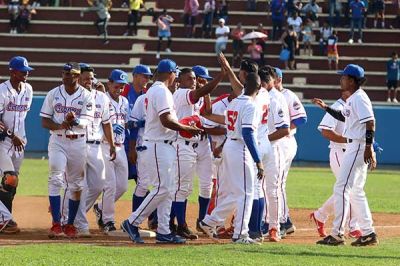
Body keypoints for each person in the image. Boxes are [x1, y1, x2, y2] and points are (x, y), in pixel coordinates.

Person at [121, 59, 202, 244]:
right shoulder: (162, 91)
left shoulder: (156, 90)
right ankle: (132, 222)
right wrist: (186, 128)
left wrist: (182, 126)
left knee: (169, 189)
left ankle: (164, 231)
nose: (176, 77)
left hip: (164, 144)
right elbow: (166, 120)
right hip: (158, 144)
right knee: (162, 188)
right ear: (171, 73)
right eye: (176, 73)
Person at [313, 64, 379, 246]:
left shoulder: (359, 98)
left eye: (343, 77)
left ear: (351, 80)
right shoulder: (353, 98)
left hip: (357, 147)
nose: (340, 79)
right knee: (356, 192)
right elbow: (344, 117)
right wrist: (326, 107)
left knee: (342, 188)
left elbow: (370, 122)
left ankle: (337, 234)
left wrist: (368, 147)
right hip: (355, 146)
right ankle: (368, 233)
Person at [200, 72, 265, 245]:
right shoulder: (251, 105)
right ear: (258, 88)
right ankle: (240, 234)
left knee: (236, 192)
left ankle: (210, 221)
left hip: (230, 146)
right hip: (240, 148)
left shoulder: (234, 101)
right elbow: (248, 132)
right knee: (247, 193)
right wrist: (258, 160)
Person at [40, 62, 94, 239]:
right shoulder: (53, 94)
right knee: (55, 178)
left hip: (78, 142)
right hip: (58, 140)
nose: (65, 76)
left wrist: (75, 121)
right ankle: (56, 223)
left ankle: (70, 224)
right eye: (64, 73)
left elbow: (87, 121)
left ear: (77, 76)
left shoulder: (86, 95)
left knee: (76, 184)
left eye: (69, 74)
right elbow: (45, 121)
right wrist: (59, 125)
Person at [62, 63, 116, 237]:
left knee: (99, 184)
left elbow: (106, 122)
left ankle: (73, 214)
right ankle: (78, 223)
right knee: (78, 185)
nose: (89, 81)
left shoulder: (101, 97)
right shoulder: (75, 96)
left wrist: (112, 143)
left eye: (91, 78)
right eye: (86, 78)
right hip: (78, 143)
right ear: (78, 79)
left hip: (96, 145)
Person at [171, 66, 224, 240]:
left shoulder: (197, 94)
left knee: (205, 184)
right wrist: (221, 76)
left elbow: (207, 112)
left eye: (196, 79)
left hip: (199, 143)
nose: (194, 81)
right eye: (191, 78)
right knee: (183, 187)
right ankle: (179, 224)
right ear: (180, 81)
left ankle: (200, 221)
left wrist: (206, 91)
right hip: (183, 143)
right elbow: (196, 96)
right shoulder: (181, 93)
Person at [310, 95, 362, 240]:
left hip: (352, 152)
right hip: (340, 152)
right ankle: (353, 227)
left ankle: (320, 215)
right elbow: (326, 131)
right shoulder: (338, 107)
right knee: (349, 189)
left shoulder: (355, 105)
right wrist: (350, 139)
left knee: (347, 189)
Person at [0, 56, 33, 228]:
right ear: (12, 72)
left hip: (20, 143)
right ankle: (4, 219)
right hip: (4, 142)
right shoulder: (2, 90)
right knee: (10, 179)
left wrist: (18, 138)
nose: (26, 74)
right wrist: (12, 135)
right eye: (22, 71)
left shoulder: (28, 89)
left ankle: (6, 219)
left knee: (13, 183)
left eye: (27, 71)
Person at [95, 70, 130, 234]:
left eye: (122, 86)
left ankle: (100, 207)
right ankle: (108, 220)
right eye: (117, 85)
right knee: (110, 185)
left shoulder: (124, 101)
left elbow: (126, 122)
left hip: (121, 146)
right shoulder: (102, 98)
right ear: (109, 83)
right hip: (105, 145)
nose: (120, 89)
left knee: (122, 186)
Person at [274, 68, 307, 236]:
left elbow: (302, 118)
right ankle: (284, 221)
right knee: (276, 183)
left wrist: (286, 129)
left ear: (278, 79)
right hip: (276, 142)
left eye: (272, 76)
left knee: (277, 183)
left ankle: (282, 221)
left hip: (285, 142)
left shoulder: (288, 95)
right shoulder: (268, 95)